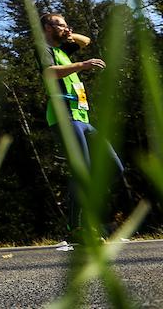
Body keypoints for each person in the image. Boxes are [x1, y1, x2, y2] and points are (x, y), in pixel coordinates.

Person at [41, 13, 125, 251]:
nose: (66, 29)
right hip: (63, 116)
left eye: (67, 24)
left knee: (114, 166)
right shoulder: (44, 49)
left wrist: (68, 32)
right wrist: (83, 65)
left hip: (82, 117)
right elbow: (49, 73)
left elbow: (85, 41)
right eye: (60, 24)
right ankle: (77, 229)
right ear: (47, 27)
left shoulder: (64, 50)